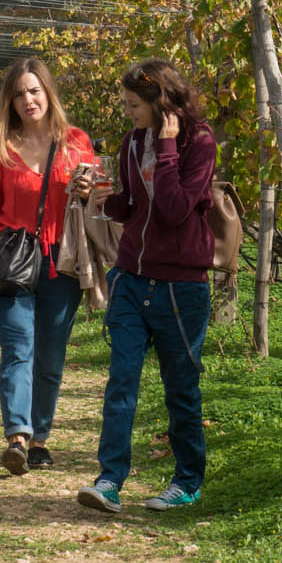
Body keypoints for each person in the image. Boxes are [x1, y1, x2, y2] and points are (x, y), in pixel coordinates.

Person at [76, 59, 218, 515]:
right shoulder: (132, 142)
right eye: (125, 103)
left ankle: (187, 481)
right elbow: (136, 206)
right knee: (122, 381)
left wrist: (169, 146)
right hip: (133, 279)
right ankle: (110, 479)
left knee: (180, 389)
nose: (128, 112)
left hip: (181, 288)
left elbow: (176, 210)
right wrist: (97, 199)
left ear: (161, 103)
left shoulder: (199, 142)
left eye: (134, 104)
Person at [0, 58, 97, 476]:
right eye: (19, 94)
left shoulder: (77, 142)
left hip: (63, 262)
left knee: (51, 352)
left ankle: (41, 436)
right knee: (17, 348)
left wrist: (89, 189)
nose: (28, 100)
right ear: (10, 101)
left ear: (48, 92)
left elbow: (100, 205)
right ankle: (18, 437)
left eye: (34, 90)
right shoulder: (1, 146)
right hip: (11, 261)